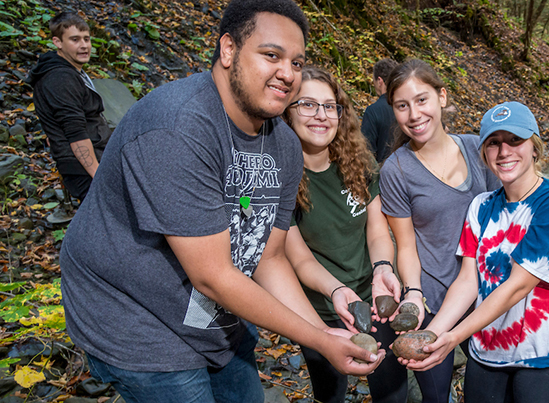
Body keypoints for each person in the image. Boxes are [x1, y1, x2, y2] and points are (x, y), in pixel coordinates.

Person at [59, 1, 384, 402]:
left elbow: (270, 257)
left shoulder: (282, 143)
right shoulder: (177, 127)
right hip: (137, 320)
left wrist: (322, 336)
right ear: (228, 50)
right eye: (271, 55)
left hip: (220, 314)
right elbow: (211, 274)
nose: (288, 73)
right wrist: (318, 338)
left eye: (297, 63)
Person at [403, 102, 549, 403]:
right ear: (484, 153)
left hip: (546, 358)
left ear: (535, 147)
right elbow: (468, 280)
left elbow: (518, 286)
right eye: (493, 143)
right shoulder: (481, 206)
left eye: (515, 140)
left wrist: (453, 338)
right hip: (486, 354)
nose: (504, 152)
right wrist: (433, 335)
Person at [282, 66, 407, 403]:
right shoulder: (280, 179)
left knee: (392, 389)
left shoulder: (359, 164)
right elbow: (298, 258)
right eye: (307, 104)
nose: (321, 115)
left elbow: (378, 229)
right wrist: (337, 290)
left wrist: (383, 266)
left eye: (329, 105)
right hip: (320, 310)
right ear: (286, 112)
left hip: (374, 299)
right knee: (330, 393)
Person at [379, 59, 500, 403]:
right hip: (433, 298)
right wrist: (413, 293)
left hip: (483, 295)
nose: (414, 114)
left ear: (442, 97)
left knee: (486, 390)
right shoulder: (396, 170)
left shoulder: (479, 149)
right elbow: (405, 245)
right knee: (436, 396)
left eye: (422, 100)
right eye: (402, 106)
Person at [27, 12, 112, 201]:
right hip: (86, 170)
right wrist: (99, 176)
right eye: (75, 40)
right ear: (58, 42)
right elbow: (76, 134)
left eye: (86, 39)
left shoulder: (69, 72)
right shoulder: (61, 78)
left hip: (94, 161)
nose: (84, 46)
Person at [361, 58, 399, 164]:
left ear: (379, 81)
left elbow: (366, 152)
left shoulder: (373, 111)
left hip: (383, 175)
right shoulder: (407, 106)